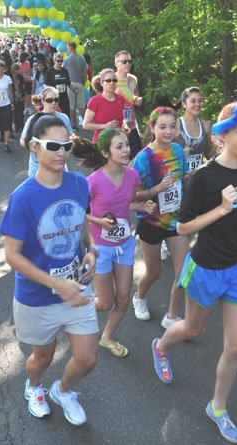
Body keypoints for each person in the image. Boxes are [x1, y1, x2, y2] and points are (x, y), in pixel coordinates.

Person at [151, 102, 237, 444]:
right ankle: (160, 346)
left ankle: (217, 407)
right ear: (221, 136)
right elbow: (181, 227)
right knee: (192, 328)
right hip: (206, 266)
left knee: (234, 348)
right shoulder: (204, 177)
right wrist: (220, 209)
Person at [0, 115, 98, 426]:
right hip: (37, 296)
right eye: (54, 146)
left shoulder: (79, 183)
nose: (62, 152)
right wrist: (56, 283)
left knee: (87, 359)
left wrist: (92, 250)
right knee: (43, 356)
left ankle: (63, 390)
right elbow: (12, 256)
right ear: (35, 148)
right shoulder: (24, 197)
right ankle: (34, 387)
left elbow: (82, 223)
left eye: (66, 145)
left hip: (77, 287)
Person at [72, 128, 155, 358]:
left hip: (125, 244)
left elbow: (128, 204)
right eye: (119, 146)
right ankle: (76, 308)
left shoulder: (132, 176)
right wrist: (98, 220)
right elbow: (76, 210)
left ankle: (107, 337)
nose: (126, 149)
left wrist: (143, 207)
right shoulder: (94, 181)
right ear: (106, 152)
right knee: (106, 302)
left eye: (127, 144)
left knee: (124, 297)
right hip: (101, 248)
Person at [131, 107, 189, 327]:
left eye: (172, 126)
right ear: (152, 127)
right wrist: (156, 189)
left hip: (175, 220)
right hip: (151, 221)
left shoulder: (177, 150)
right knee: (154, 272)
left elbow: (183, 178)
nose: (168, 131)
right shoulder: (143, 158)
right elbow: (134, 195)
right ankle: (139, 297)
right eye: (163, 126)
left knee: (183, 272)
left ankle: (172, 316)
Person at [20, 87, 73, 177]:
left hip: (59, 166)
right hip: (38, 168)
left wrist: (71, 140)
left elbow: (70, 135)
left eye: (56, 100)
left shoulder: (63, 117)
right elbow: (22, 140)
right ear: (43, 101)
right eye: (49, 100)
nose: (53, 103)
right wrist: (37, 146)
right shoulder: (33, 119)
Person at [173, 87, 216, 174]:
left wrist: (216, 144)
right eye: (193, 101)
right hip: (178, 179)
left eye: (200, 101)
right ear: (184, 104)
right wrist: (180, 155)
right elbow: (162, 153)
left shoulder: (206, 126)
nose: (197, 104)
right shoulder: (176, 124)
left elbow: (210, 155)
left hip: (198, 179)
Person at [82, 69, 127, 143]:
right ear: (102, 82)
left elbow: (121, 118)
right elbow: (86, 125)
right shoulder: (95, 101)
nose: (112, 83)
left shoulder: (121, 99)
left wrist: (125, 126)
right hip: (101, 143)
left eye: (114, 80)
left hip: (118, 142)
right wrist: (105, 126)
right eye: (108, 80)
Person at [114, 50, 143, 159]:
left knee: (137, 156)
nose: (128, 64)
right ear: (116, 63)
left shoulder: (133, 79)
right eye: (124, 61)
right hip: (116, 125)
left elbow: (133, 98)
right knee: (119, 158)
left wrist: (137, 101)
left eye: (129, 61)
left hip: (131, 124)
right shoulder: (111, 80)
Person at [62, 42, 88, 128]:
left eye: (67, 47)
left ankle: (74, 124)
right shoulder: (82, 58)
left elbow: (63, 72)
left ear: (70, 48)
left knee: (71, 105)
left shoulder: (66, 60)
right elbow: (84, 72)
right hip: (79, 82)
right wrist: (83, 82)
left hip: (70, 84)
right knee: (81, 104)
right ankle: (86, 122)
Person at [45, 53, 71, 119]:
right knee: (54, 116)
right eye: (58, 61)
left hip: (64, 97)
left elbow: (68, 83)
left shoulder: (65, 71)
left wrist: (74, 90)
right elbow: (46, 85)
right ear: (54, 60)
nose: (60, 63)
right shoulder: (49, 72)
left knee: (66, 115)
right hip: (54, 98)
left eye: (61, 61)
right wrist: (52, 91)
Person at [10, 63, 26, 133]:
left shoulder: (20, 76)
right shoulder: (9, 77)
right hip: (13, 96)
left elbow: (23, 87)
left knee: (21, 112)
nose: (16, 71)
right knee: (15, 112)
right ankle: (16, 126)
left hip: (20, 95)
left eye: (17, 69)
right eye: (15, 69)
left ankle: (21, 126)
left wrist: (23, 96)